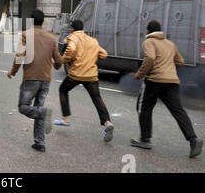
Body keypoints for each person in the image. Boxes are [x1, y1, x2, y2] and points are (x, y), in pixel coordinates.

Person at [132, 20, 203, 158]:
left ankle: (145, 140)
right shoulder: (170, 44)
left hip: (154, 80)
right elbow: (180, 61)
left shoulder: (148, 42)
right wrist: (170, 72)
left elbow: (150, 58)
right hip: (172, 82)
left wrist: (140, 74)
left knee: (144, 108)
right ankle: (193, 139)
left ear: (148, 31)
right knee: (178, 110)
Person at [7, 10, 62, 152]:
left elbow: (20, 55)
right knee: (39, 106)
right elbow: (58, 61)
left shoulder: (26, 35)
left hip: (31, 78)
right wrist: (56, 65)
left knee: (23, 107)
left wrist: (13, 71)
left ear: (32, 21)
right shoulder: (51, 38)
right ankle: (40, 142)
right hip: (45, 79)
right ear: (43, 21)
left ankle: (42, 114)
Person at [53, 20, 115, 142]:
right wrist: (92, 57)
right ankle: (107, 123)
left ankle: (66, 119)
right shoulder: (92, 40)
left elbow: (71, 50)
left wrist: (62, 60)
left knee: (63, 90)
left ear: (72, 29)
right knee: (97, 98)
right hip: (91, 75)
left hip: (76, 74)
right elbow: (104, 54)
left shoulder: (73, 38)